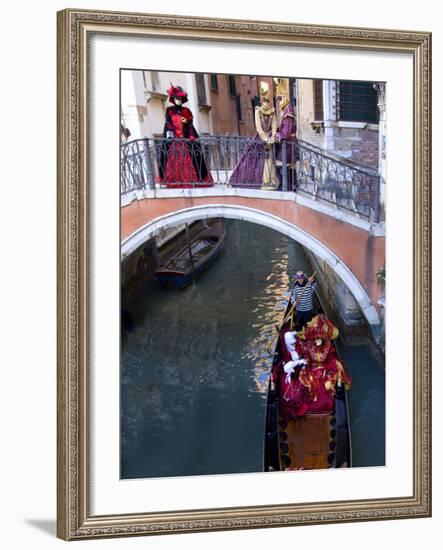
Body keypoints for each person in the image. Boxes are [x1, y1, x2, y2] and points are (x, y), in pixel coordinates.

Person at [157, 83, 213, 188]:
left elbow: (189, 122)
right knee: (168, 154)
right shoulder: (169, 110)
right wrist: (173, 133)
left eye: (180, 98)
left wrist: (184, 122)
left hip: (185, 137)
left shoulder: (186, 111)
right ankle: (173, 180)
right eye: (176, 98)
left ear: (183, 99)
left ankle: (197, 179)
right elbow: (168, 123)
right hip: (174, 138)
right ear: (173, 98)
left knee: (194, 154)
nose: (178, 100)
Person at [229, 81, 279, 190]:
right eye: (264, 98)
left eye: (267, 98)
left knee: (269, 160)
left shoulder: (272, 111)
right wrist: (265, 138)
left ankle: (270, 181)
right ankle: (264, 182)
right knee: (257, 161)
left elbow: (275, 125)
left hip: (269, 139)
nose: (265, 101)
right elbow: (258, 127)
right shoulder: (258, 111)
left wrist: (273, 136)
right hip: (260, 139)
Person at [273, 78, 299, 191]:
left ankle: (285, 186)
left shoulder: (288, 113)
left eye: (281, 98)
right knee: (290, 166)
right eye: (279, 98)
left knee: (280, 164)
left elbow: (286, 132)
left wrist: (277, 136)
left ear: (286, 98)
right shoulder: (286, 111)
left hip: (288, 144)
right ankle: (292, 186)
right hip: (289, 144)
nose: (280, 101)